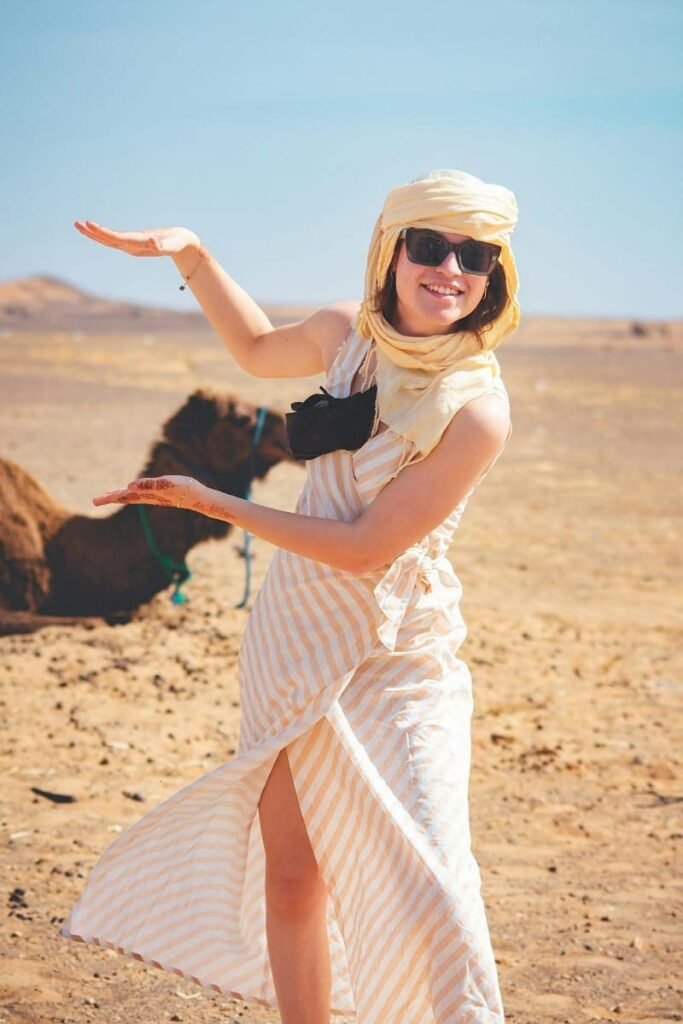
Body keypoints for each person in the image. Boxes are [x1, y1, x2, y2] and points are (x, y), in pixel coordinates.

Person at [60, 168, 520, 1024]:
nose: (449, 269)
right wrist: (192, 253)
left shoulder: (475, 411)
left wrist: (215, 504)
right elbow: (254, 349)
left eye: (474, 255)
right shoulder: (347, 337)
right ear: (391, 252)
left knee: (431, 874)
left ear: (494, 273)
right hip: (297, 629)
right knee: (293, 871)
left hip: (396, 652)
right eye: (429, 245)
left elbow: (366, 546)